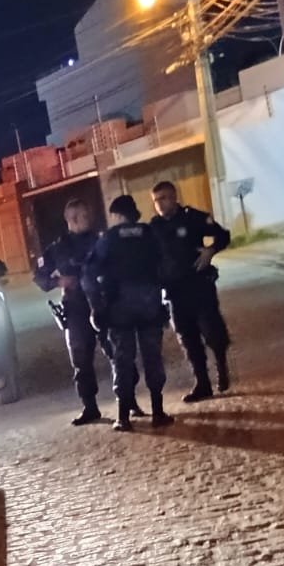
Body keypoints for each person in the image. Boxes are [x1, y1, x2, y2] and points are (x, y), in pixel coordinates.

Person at [84, 195, 173, 432]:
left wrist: (96, 306)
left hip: (119, 308)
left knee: (122, 360)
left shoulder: (109, 239)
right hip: (149, 305)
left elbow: (89, 275)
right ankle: (158, 412)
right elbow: (165, 265)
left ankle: (123, 417)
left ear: (116, 215)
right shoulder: (150, 234)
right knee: (153, 357)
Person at [149, 180, 232, 402]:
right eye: (156, 200)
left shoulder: (192, 217)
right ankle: (202, 383)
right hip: (175, 291)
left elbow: (223, 235)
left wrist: (210, 251)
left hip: (199, 285)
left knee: (212, 332)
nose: (160, 204)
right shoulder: (154, 227)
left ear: (174, 197)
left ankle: (221, 366)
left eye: (164, 198)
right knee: (187, 337)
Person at [35, 197, 111, 426]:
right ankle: (90, 407)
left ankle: (128, 401)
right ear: (73, 219)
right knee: (80, 359)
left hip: (103, 303)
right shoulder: (57, 248)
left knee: (118, 352)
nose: (90, 219)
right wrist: (59, 282)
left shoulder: (101, 241)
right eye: (85, 216)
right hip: (76, 307)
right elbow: (39, 277)